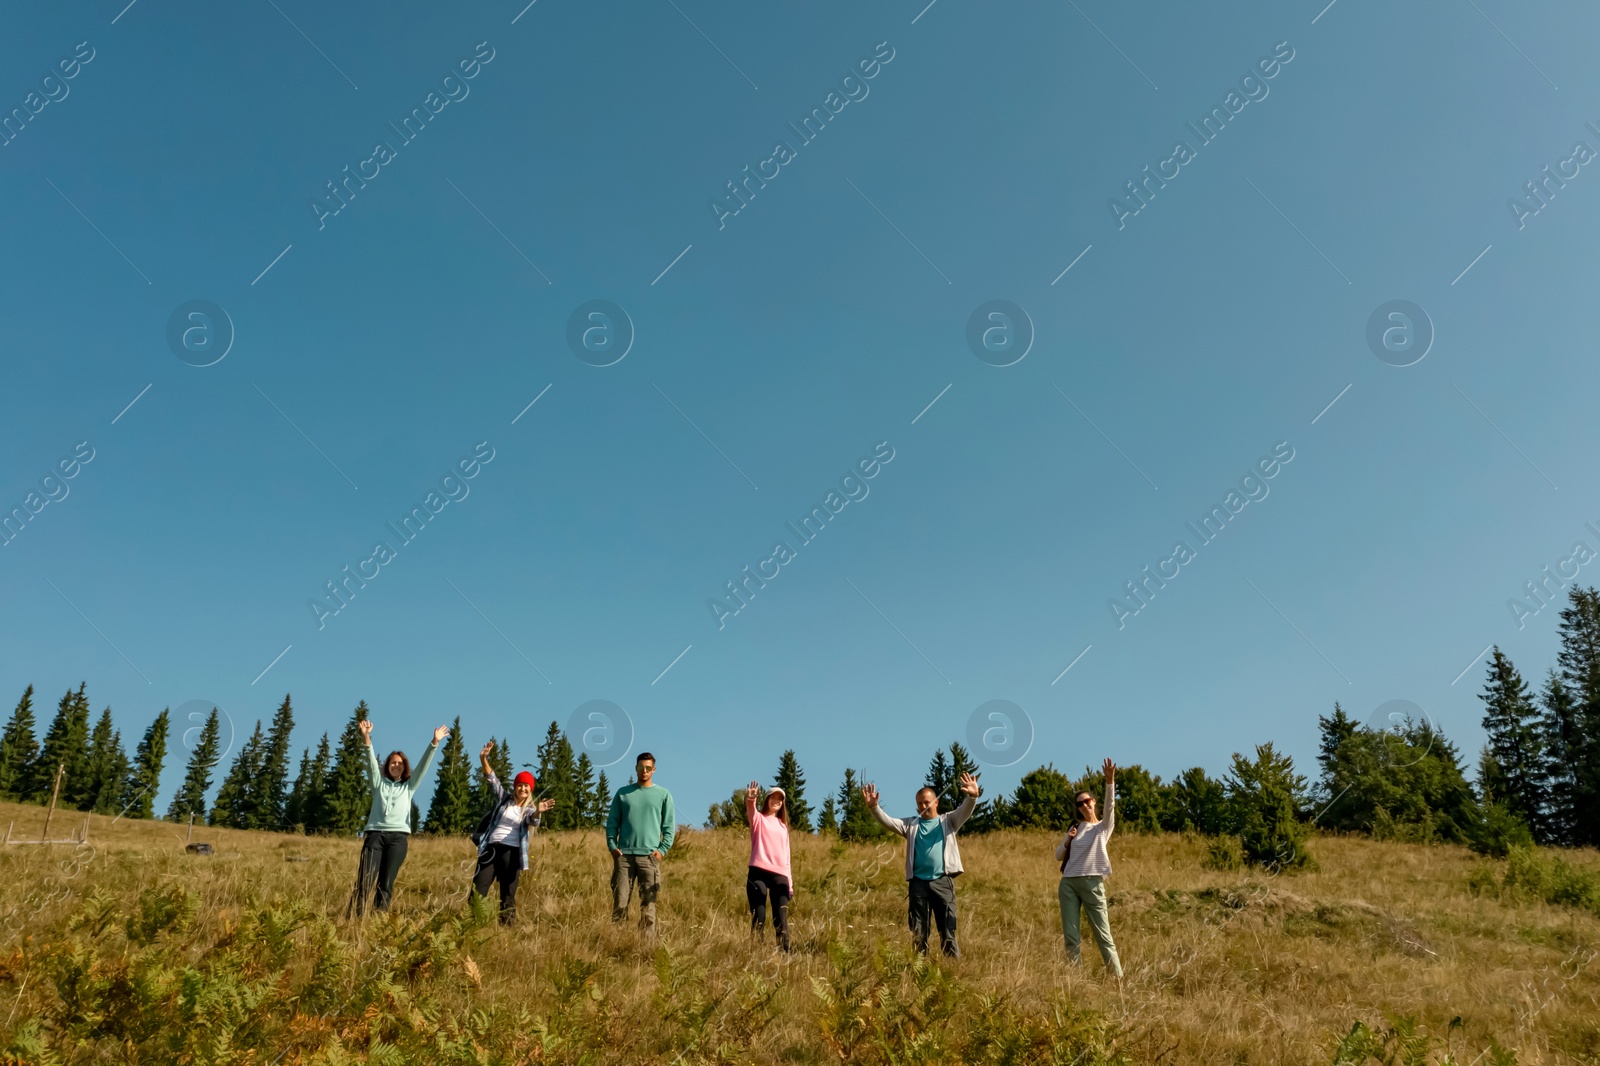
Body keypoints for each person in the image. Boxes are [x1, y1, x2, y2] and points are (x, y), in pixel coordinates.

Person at [863, 771, 980, 958]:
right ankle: (919, 969)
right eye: (919, 803)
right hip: (918, 884)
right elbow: (889, 822)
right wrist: (874, 807)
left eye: (927, 802)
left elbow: (965, 810)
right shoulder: (911, 825)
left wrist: (972, 796)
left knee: (947, 930)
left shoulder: (948, 821)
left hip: (942, 882)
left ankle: (953, 969)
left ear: (936, 802)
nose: (923, 806)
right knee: (918, 932)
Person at [349, 717, 447, 916]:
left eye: (400, 764)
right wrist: (366, 738)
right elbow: (370, 763)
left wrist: (434, 743)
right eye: (393, 763)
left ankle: (378, 923)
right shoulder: (379, 783)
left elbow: (423, 767)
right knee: (365, 882)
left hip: (398, 839)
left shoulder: (409, 787)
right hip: (375, 836)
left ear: (405, 767)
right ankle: (354, 921)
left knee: (386, 884)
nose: (396, 766)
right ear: (387, 765)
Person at [470, 740, 556, 924]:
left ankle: (506, 930)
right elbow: (492, 779)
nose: (523, 788)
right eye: (520, 785)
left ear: (530, 790)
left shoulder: (530, 809)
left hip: (511, 852)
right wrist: (483, 758)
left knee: (508, 894)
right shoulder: (504, 799)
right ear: (515, 787)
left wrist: (539, 811)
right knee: (478, 890)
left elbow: (532, 821)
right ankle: (472, 925)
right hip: (490, 849)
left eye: (527, 786)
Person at [1055, 758, 1123, 979]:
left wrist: (1110, 782)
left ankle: (1117, 979)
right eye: (1079, 804)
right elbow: (1058, 856)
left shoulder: (1103, 827)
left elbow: (1110, 807)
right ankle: (1075, 979)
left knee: (1103, 934)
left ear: (1094, 802)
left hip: (1092, 882)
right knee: (1071, 936)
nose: (1084, 805)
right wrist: (1067, 841)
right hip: (1068, 883)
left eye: (1086, 801)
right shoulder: (1075, 827)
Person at [605, 752, 675, 936]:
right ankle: (616, 943)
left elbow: (669, 828)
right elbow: (612, 824)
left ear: (654, 769)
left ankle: (646, 948)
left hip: (649, 858)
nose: (644, 771)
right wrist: (613, 847)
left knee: (648, 908)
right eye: (640, 767)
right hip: (624, 857)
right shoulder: (623, 794)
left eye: (648, 768)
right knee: (620, 904)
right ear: (635, 768)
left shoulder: (663, 795)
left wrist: (661, 851)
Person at [744, 780, 793, 951]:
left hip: (779, 874)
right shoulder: (759, 819)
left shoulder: (783, 826)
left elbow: (787, 857)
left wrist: (790, 884)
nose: (777, 801)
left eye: (780, 799)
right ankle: (757, 949)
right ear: (767, 799)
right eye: (773, 798)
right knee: (760, 912)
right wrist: (751, 799)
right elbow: (751, 810)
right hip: (758, 871)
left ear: (782, 804)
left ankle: (784, 952)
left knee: (780, 916)